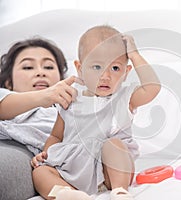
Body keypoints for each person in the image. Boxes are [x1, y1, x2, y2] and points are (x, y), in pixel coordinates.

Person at [31, 25, 161, 200]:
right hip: (72, 168)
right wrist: (45, 154)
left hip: (110, 173)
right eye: (96, 67)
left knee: (114, 145)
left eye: (115, 68)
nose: (105, 76)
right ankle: (67, 194)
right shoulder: (70, 98)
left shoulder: (125, 98)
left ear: (125, 72)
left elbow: (153, 87)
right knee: (40, 172)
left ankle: (120, 192)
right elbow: (56, 136)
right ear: (79, 68)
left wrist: (134, 54)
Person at [0, 38, 79, 200]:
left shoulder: (72, 109)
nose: (40, 72)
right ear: (8, 83)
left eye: (49, 67)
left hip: (56, 161)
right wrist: (44, 96)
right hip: (16, 147)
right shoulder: (7, 96)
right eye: (28, 67)